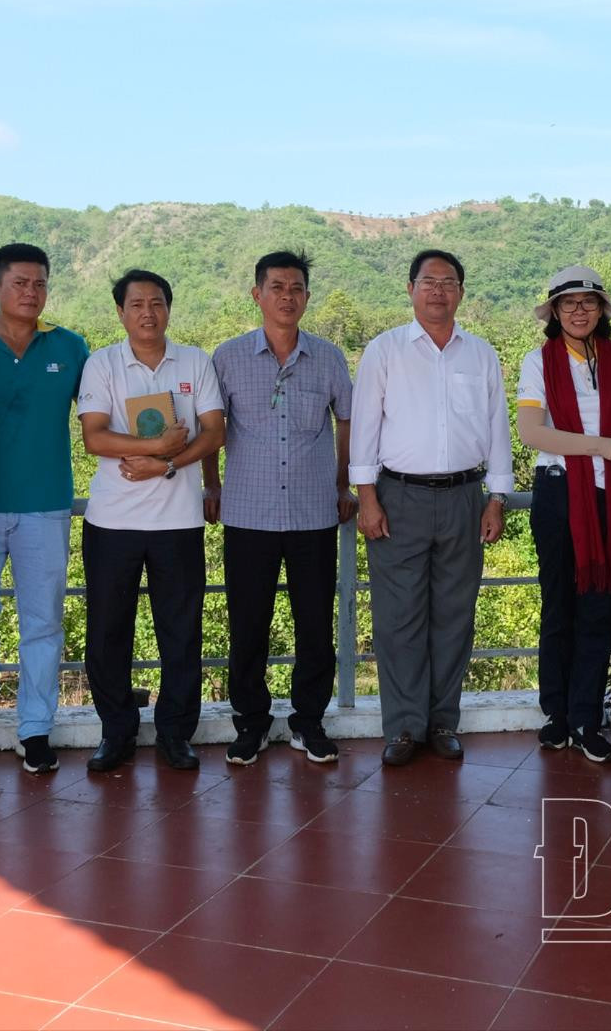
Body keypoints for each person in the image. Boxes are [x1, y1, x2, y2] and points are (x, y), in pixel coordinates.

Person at [350, 249, 513, 766]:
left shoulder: (480, 353)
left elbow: (497, 428)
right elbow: (365, 429)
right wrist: (367, 498)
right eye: (428, 281)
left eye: (448, 282)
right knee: (398, 618)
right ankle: (402, 728)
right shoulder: (385, 350)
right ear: (410, 288)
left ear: (461, 292)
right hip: (399, 497)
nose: (437, 290)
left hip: (466, 498)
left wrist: (497, 497)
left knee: (454, 616)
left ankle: (443, 721)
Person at [0, 244, 89, 776]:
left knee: (43, 621)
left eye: (40, 284)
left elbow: (100, 414)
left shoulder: (71, 347)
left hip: (47, 505)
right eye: (21, 283)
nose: (31, 292)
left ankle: (34, 726)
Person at [205, 251, 354, 767]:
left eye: (296, 288)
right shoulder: (226, 357)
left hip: (315, 512)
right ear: (257, 295)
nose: (287, 297)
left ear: (307, 297)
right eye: (276, 287)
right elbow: (211, 430)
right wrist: (211, 485)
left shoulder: (329, 357)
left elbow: (347, 421)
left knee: (316, 623)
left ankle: (308, 721)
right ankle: (250, 722)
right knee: (249, 624)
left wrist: (343, 484)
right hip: (247, 513)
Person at [77, 270, 226, 772]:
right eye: (136, 303)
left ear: (169, 308)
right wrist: (154, 446)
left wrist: (166, 464)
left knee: (181, 632)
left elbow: (214, 433)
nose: (147, 312)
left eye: (157, 302)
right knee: (107, 632)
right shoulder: (102, 364)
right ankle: (115, 732)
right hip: (112, 522)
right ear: (120, 312)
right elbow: (94, 437)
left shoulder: (195, 362)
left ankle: (175, 733)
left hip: (179, 521)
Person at [514, 266, 611, 764]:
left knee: (599, 609)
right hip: (559, 492)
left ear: (601, 310)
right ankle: (556, 715)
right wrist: (602, 446)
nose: (579, 310)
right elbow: (533, 432)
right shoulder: (538, 361)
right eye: (569, 304)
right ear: (555, 313)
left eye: (588, 302)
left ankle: (587, 716)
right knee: (559, 603)